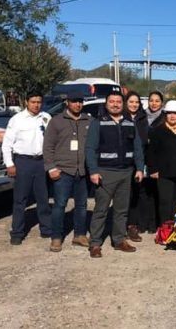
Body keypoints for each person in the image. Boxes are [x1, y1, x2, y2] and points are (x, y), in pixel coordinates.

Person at [85, 92, 145, 258]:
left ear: (122, 104)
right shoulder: (98, 123)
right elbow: (90, 149)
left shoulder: (129, 122)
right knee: (101, 210)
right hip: (105, 173)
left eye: (119, 102)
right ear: (106, 104)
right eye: (112, 101)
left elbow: (137, 148)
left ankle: (119, 240)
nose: (115, 104)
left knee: (121, 210)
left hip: (126, 172)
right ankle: (95, 243)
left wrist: (139, 168)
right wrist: (94, 171)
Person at [43, 91, 91, 252]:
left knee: (82, 205)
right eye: (75, 101)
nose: (78, 104)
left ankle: (79, 235)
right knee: (60, 205)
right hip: (63, 171)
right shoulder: (56, 121)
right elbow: (48, 147)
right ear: (67, 103)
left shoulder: (88, 120)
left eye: (80, 101)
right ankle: (56, 237)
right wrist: (51, 167)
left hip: (83, 171)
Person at [2, 91, 52, 245]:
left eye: (39, 102)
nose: (36, 105)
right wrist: (9, 164)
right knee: (20, 199)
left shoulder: (46, 118)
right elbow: (7, 144)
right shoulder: (17, 120)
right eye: (33, 102)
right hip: (23, 162)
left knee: (43, 198)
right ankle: (17, 232)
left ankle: (46, 229)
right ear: (26, 102)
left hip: (41, 162)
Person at [147, 100, 176, 223]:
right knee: (165, 201)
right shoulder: (158, 130)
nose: (172, 116)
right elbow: (151, 152)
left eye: (175, 113)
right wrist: (153, 169)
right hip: (164, 173)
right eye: (169, 113)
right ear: (165, 114)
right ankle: (165, 227)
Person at [125, 91, 153, 240]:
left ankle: (132, 225)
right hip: (123, 161)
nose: (134, 104)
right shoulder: (121, 117)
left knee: (137, 193)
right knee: (124, 195)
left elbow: (144, 141)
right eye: (131, 102)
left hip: (139, 160)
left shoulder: (143, 119)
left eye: (136, 102)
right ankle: (121, 225)